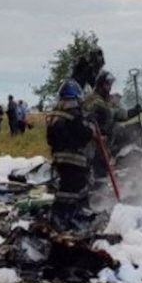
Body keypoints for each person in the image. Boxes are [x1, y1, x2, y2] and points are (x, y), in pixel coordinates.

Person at [47, 49, 104, 230]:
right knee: (72, 190)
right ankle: (61, 218)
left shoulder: (57, 111)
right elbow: (83, 133)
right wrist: (92, 129)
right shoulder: (74, 113)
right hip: (74, 159)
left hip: (60, 158)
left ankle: (72, 215)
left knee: (71, 188)